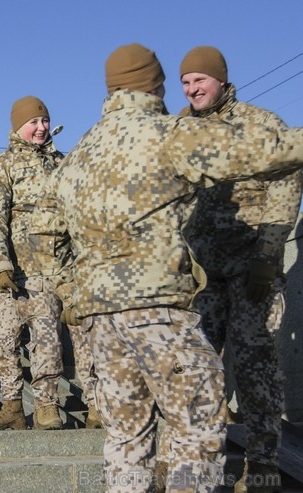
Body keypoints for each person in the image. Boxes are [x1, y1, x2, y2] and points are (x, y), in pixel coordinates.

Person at [36, 43, 303, 492]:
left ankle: (260, 464)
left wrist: (69, 290)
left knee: (125, 433)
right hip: (159, 308)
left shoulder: (78, 153)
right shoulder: (169, 133)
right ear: (156, 84)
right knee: (199, 419)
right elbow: (265, 153)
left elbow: (43, 234)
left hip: (101, 319)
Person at [177, 46, 302, 493]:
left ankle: (264, 459)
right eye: (186, 82)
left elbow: (285, 187)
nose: (192, 89)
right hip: (200, 276)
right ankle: (197, 460)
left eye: (200, 80)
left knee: (256, 366)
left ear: (222, 81)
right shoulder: (178, 132)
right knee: (195, 369)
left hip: (253, 269)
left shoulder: (261, 124)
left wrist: (268, 257)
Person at [0, 96, 65, 431]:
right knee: (5, 341)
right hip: (12, 274)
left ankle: (46, 406)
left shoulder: (61, 164)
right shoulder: (3, 166)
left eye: (44, 122)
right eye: (33, 123)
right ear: (18, 127)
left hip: (49, 271)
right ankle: (12, 407)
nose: (41, 128)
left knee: (46, 341)